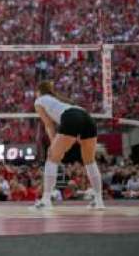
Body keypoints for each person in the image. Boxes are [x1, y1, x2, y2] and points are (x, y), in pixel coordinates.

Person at [31, 80, 104, 210]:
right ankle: (99, 201)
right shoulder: (59, 100)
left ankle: (46, 200)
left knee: (52, 158)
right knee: (90, 161)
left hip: (71, 117)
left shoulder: (39, 101)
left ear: (39, 92)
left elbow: (49, 125)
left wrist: (53, 144)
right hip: (87, 117)